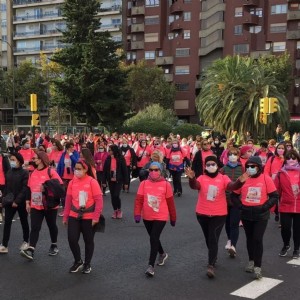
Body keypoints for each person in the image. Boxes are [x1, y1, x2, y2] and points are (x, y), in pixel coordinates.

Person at [185, 155, 247, 278]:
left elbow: (232, 187)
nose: (211, 166)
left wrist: (240, 180)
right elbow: (195, 186)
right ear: (205, 167)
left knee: (213, 237)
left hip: (219, 214)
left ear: (217, 166)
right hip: (202, 213)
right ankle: (213, 256)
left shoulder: (223, 178)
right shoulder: (202, 178)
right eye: (208, 165)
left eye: (213, 164)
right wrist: (192, 178)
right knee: (209, 239)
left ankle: (211, 265)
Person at [231, 156, 279, 279]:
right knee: (249, 239)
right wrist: (241, 206)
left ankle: (258, 266)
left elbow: (274, 196)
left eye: (253, 166)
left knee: (257, 239)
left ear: (259, 167)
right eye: (248, 166)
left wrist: (264, 207)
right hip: (246, 213)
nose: (250, 168)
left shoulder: (265, 178)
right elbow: (233, 195)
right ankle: (251, 261)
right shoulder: (243, 179)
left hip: (261, 214)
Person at [134, 162, 176, 277]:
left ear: (161, 171)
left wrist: (173, 217)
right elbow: (139, 200)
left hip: (161, 216)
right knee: (154, 237)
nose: (153, 172)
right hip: (147, 216)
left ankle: (150, 266)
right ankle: (162, 253)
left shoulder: (166, 185)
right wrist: (137, 214)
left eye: (156, 170)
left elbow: (170, 203)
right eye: (151, 170)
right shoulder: (143, 184)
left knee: (153, 237)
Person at [20, 151, 63, 260]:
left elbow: (60, 186)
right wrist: (27, 202)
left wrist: (46, 187)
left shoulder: (51, 172)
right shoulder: (32, 173)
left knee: (51, 225)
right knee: (35, 227)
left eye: (35, 158)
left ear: (41, 159)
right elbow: (28, 189)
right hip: (36, 204)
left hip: (49, 205)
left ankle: (54, 244)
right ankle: (31, 249)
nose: (33, 160)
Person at [63, 160, 103, 274]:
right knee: (72, 239)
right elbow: (68, 201)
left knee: (88, 240)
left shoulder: (92, 182)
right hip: (74, 214)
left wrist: (96, 217)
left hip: (89, 216)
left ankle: (87, 263)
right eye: (75, 168)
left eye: (79, 168)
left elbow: (99, 201)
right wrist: (65, 217)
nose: (77, 171)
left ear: (85, 169)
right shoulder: (72, 183)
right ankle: (78, 261)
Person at [0, 153, 30, 253]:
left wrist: (17, 201)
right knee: (7, 222)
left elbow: (25, 188)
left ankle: (26, 241)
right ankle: (4, 245)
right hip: (9, 201)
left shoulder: (25, 173)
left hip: (20, 202)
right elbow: (7, 187)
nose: (11, 161)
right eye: (11, 159)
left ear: (19, 161)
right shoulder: (9, 172)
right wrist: (3, 199)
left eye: (13, 159)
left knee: (24, 222)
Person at [274, 150, 300, 259]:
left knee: (298, 229)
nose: (291, 160)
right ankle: (286, 245)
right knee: (285, 228)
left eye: (294, 158)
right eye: (289, 158)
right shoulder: (281, 173)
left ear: (298, 159)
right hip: (285, 205)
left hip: (299, 205)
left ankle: (296, 249)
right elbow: (275, 191)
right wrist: (272, 206)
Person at [220, 148, 243, 258]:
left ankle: (233, 245)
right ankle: (229, 240)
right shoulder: (223, 169)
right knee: (227, 222)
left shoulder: (242, 168)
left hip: (237, 199)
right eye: (230, 154)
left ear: (238, 156)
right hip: (224, 199)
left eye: (235, 154)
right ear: (227, 156)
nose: (233, 156)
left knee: (234, 223)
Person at [102, 144, 128, 219]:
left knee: (116, 195)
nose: (108, 151)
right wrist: (103, 181)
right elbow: (104, 171)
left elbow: (125, 171)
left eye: (110, 150)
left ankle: (119, 210)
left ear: (114, 150)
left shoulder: (121, 158)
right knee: (113, 196)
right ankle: (115, 210)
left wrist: (126, 182)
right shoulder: (108, 159)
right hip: (110, 180)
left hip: (118, 180)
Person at [0, 152, 11, 222]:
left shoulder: (4, 159)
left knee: (2, 198)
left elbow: (9, 170)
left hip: (3, 182)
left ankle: (3, 212)